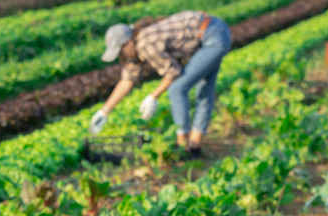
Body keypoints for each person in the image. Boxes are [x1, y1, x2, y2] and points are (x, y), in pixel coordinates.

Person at [88, 11, 232, 155]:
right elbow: (127, 80)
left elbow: (173, 72)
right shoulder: (136, 46)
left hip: (213, 35)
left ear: (129, 42)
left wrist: (153, 96)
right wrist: (104, 111)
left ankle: (182, 143)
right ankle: (193, 146)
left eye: (121, 51)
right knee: (203, 91)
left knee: (177, 89)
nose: (122, 55)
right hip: (210, 33)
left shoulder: (145, 42)